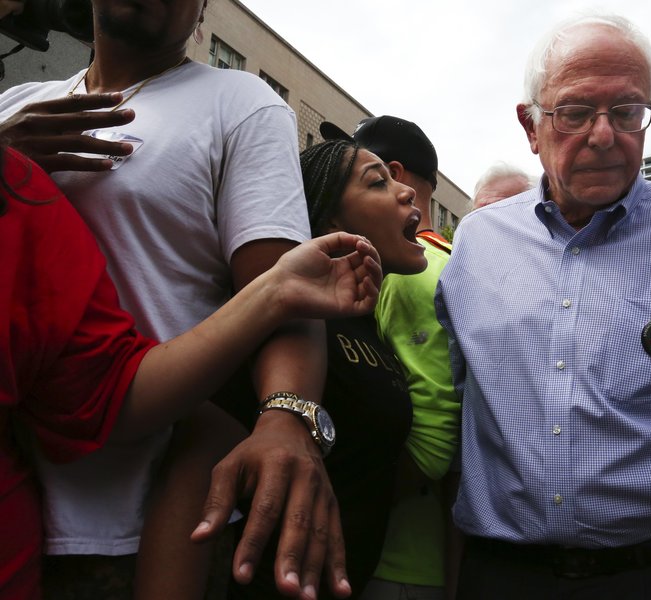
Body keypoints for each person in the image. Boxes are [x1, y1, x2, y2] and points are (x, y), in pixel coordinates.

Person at [0, 1, 343, 597]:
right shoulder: (16, 105)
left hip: (153, 519)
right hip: (17, 490)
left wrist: (287, 419)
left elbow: (286, 288)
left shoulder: (241, 101)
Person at [435, 13, 651, 600]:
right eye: (574, 112)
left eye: (627, 112)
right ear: (530, 124)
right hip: (502, 577)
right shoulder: (475, 244)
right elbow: (457, 421)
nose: (603, 135)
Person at [0, 144, 382, 599]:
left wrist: (275, 296)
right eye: (380, 180)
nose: (410, 196)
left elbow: (109, 390)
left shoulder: (20, 188)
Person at [231, 138, 427, 599]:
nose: (407, 192)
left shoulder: (370, 325)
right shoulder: (293, 327)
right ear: (333, 220)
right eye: (378, 182)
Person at [320, 116, 460, 600]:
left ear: (396, 171)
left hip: (393, 565)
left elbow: (433, 443)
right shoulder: (336, 292)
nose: (401, 197)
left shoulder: (411, 271)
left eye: (380, 176)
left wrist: (338, 511)